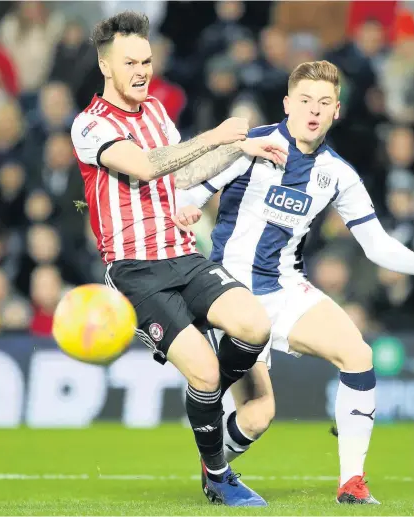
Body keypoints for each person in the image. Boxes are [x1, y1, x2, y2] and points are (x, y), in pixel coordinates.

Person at [70, 10, 288, 507]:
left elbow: (182, 177)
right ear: (107, 67)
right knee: (207, 373)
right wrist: (217, 133)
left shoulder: (156, 114)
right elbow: (146, 167)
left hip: (181, 254)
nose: (142, 71)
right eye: (130, 62)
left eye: (147, 60)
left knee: (254, 326)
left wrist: (244, 150)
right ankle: (217, 474)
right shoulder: (90, 125)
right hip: (135, 272)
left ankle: (204, 394)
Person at [174, 60, 414, 505]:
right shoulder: (251, 146)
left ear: (336, 111)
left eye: (324, 103)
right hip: (229, 294)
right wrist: (188, 207)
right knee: (259, 414)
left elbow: (377, 245)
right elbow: (190, 191)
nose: (314, 110)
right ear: (287, 103)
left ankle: (352, 484)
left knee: (358, 354)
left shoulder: (337, 172)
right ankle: (216, 469)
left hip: (283, 287)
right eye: (305, 100)